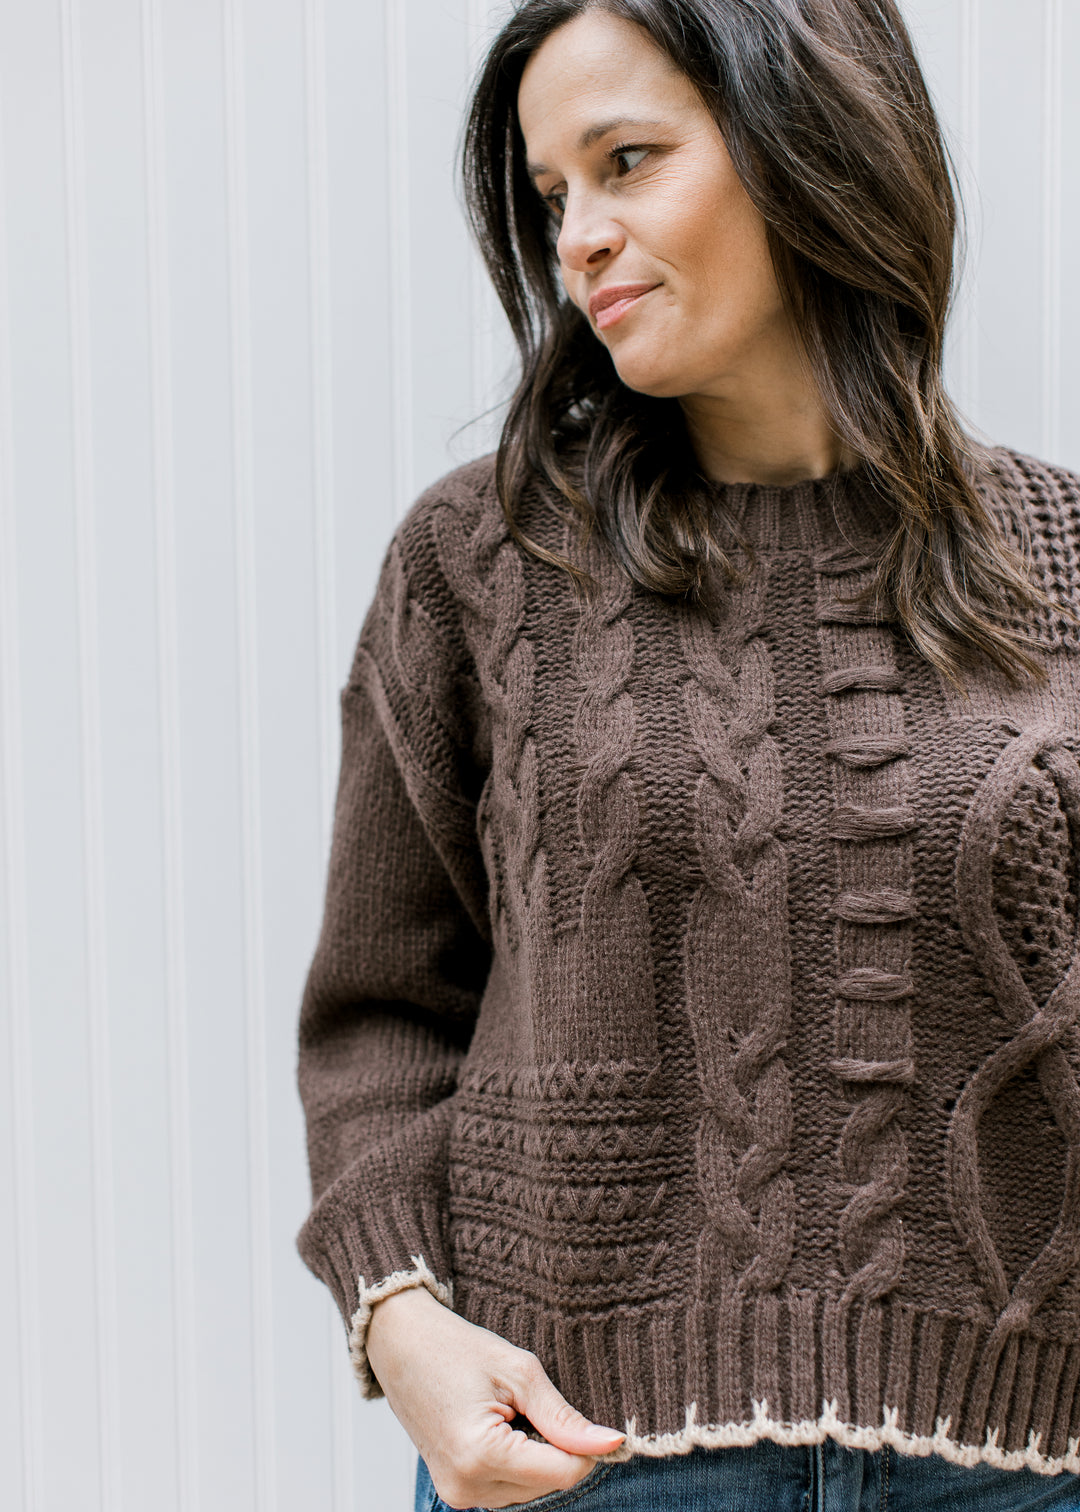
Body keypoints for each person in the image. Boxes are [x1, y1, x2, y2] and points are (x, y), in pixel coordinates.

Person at [295, 1, 1080, 1508]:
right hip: (603, 1462)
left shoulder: (1059, 555)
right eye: (550, 197)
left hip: (1024, 1460)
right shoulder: (482, 562)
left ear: (813, 142)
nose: (579, 235)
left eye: (628, 161)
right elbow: (378, 1016)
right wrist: (397, 1319)